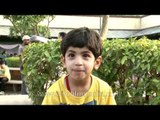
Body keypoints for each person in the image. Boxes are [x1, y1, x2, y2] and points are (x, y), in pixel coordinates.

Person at [42, 27, 116, 105]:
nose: (78, 62)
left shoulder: (104, 90)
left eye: (85, 55)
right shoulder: (54, 92)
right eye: (71, 55)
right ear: (64, 61)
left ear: (96, 62)